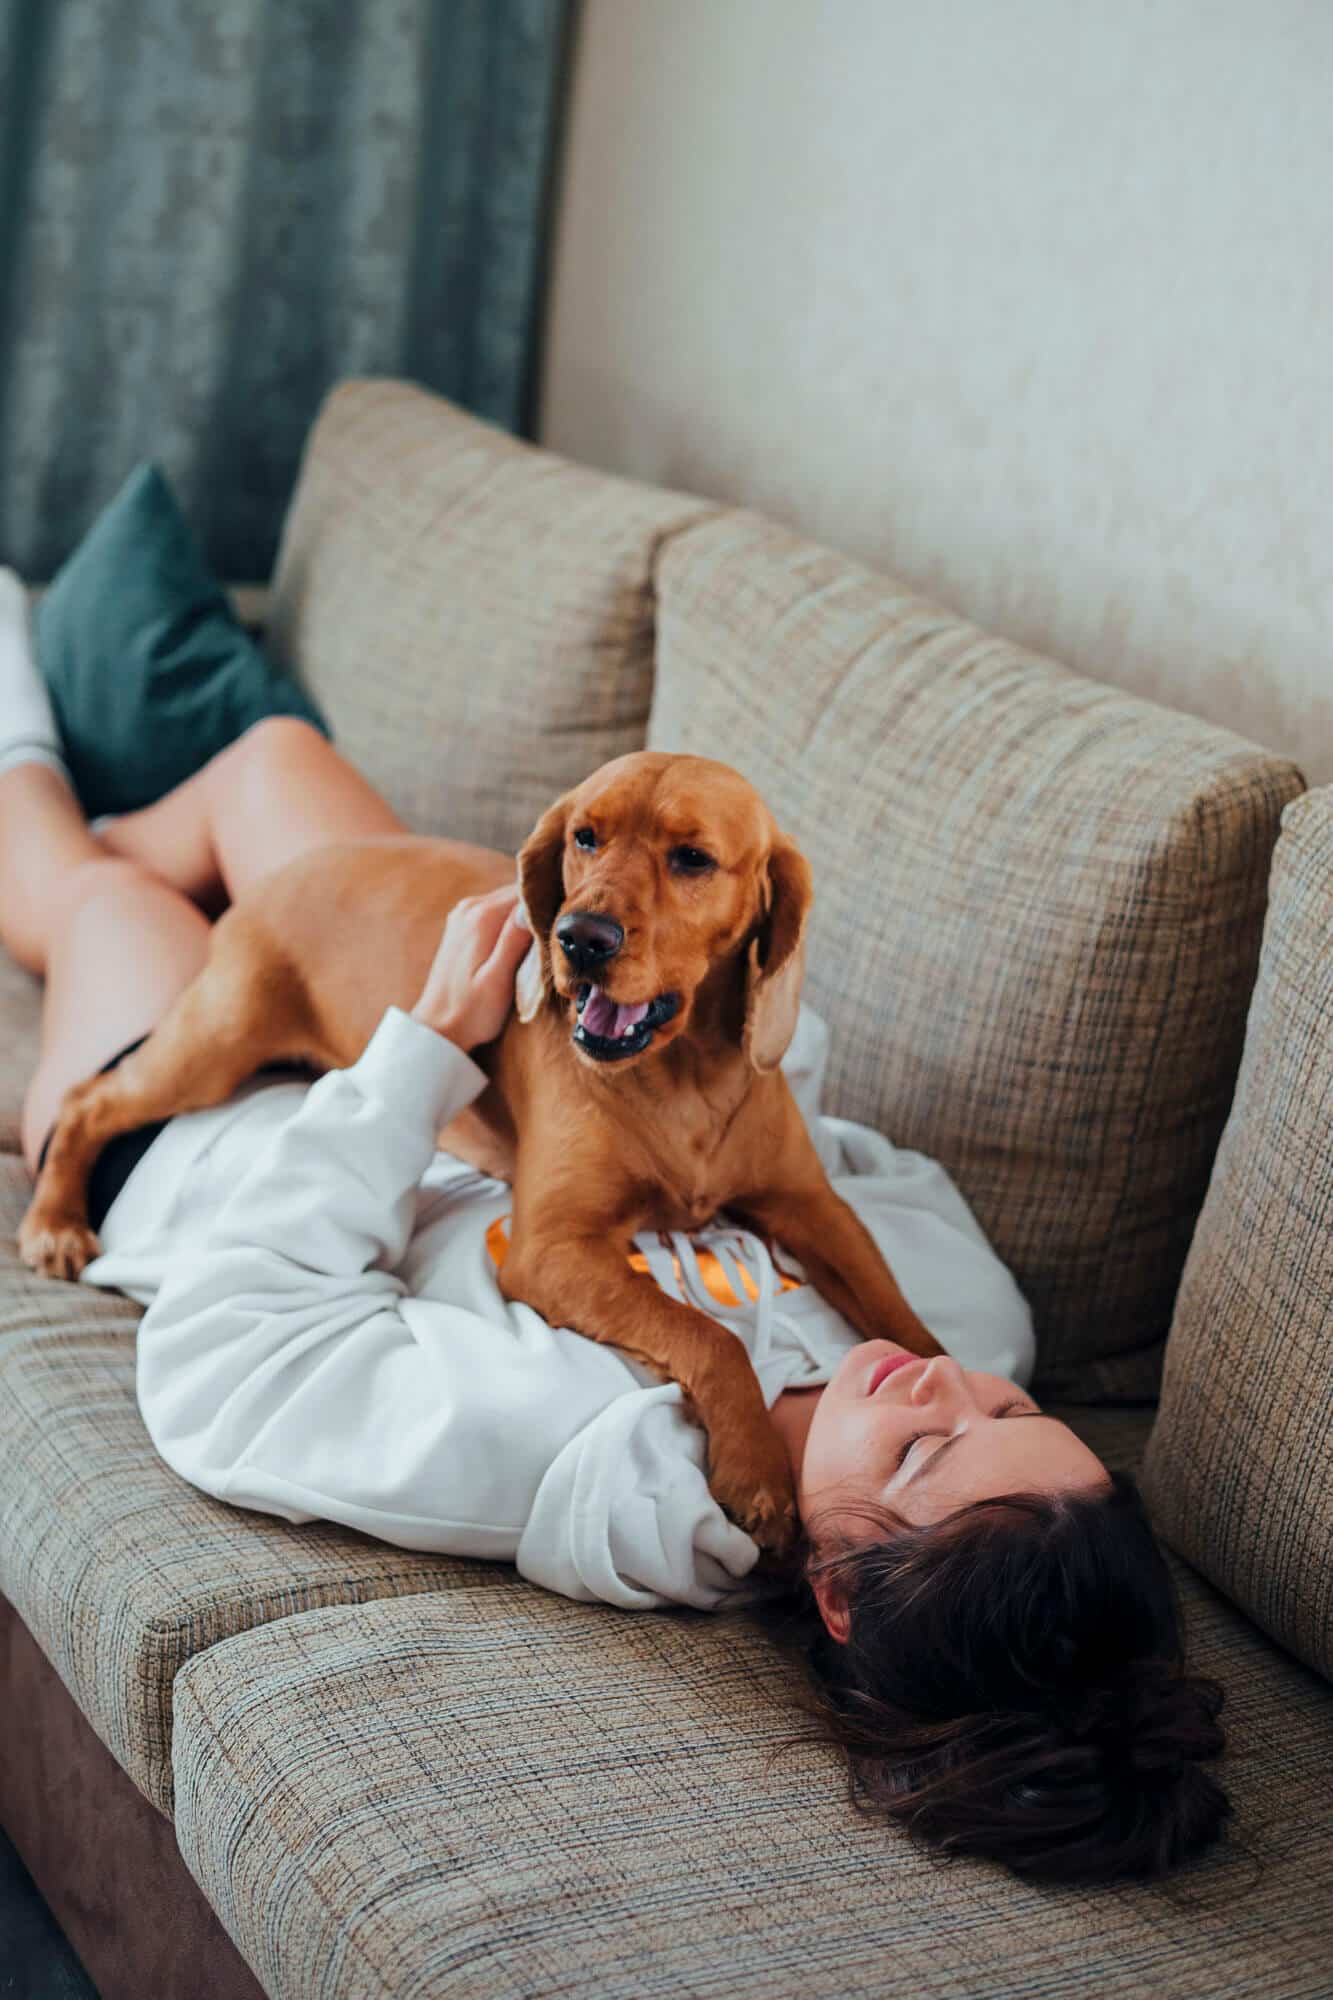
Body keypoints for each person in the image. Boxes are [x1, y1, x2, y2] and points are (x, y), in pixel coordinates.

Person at [0, 568, 1230, 1882]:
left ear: (828, 1584)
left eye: (924, 1454)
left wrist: (416, 1063)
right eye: (1010, 1414)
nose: (942, 1385)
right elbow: (829, 1157)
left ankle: (34, 714)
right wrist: (738, 1027)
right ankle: (165, 830)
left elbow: (228, 1354)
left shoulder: (574, 1458)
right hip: (472, 1011)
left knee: (108, 901)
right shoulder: (968, 1320)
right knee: (273, 759)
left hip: (220, 1154)